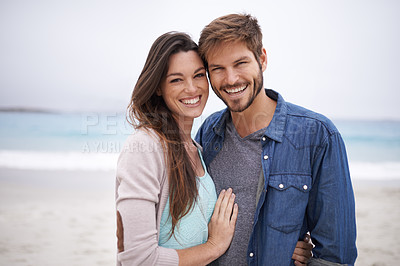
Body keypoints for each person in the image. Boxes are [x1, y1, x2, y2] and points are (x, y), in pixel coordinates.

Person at [115, 32, 312, 265]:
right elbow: (138, 259)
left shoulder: (197, 148)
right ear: (158, 87)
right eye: (176, 80)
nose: (191, 88)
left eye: (198, 76)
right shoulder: (145, 147)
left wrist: (283, 245)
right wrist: (214, 246)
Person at [195, 14, 357, 266]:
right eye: (218, 69)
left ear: (262, 59)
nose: (231, 79)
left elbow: (334, 255)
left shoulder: (318, 135)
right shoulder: (208, 133)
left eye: (240, 63)